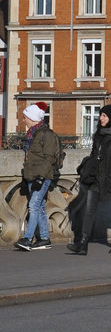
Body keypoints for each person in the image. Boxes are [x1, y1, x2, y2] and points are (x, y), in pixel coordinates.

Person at [68, 104, 111, 256]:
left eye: (104, 116)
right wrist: (89, 169)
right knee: (89, 210)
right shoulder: (98, 134)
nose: (101, 118)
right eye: (101, 115)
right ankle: (83, 244)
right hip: (96, 179)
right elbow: (93, 154)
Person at [15, 103, 62, 251]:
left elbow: (49, 158)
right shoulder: (32, 134)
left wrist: (41, 177)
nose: (24, 120)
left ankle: (27, 239)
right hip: (31, 175)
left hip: (42, 175)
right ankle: (44, 238)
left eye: (25, 117)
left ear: (33, 118)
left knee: (33, 206)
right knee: (40, 206)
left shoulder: (47, 135)